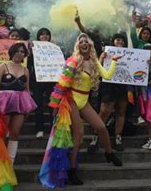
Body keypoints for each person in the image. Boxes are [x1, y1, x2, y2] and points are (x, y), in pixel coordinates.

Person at [39, 33, 123, 187]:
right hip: (71, 100)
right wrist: (56, 106)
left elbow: (107, 75)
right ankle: (71, 170)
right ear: (78, 45)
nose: (84, 43)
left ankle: (109, 153)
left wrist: (114, 62)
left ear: (90, 45)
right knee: (78, 134)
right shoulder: (73, 61)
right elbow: (62, 84)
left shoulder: (94, 61)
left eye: (86, 41)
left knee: (101, 127)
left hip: (84, 100)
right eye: (81, 42)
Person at [0, 42, 37, 163]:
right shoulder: (3, 66)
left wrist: (28, 106)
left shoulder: (26, 70)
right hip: (4, 102)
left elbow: (26, 89)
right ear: (12, 52)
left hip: (20, 103)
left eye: (22, 51)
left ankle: (10, 163)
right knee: (2, 132)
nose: (19, 53)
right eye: (17, 50)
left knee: (15, 132)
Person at [88, 33, 129, 153]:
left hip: (122, 86)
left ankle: (117, 138)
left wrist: (144, 65)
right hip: (108, 86)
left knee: (121, 112)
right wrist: (101, 58)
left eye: (122, 40)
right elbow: (97, 68)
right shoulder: (106, 53)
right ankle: (95, 137)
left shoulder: (129, 54)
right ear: (113, 41)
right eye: (117, 39)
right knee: (104, 111)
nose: (120, 42)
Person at [29, 27, 55, 138]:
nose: (44, 36)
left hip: (51, 80)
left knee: (52, 104)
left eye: (47, 34)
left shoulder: (55, 48)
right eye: (42, 34)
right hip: (37, 80)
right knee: (38, 104)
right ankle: (39, 128)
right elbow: (29, 64)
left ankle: (52, 127)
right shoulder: (33, 49)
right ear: (38, 37)